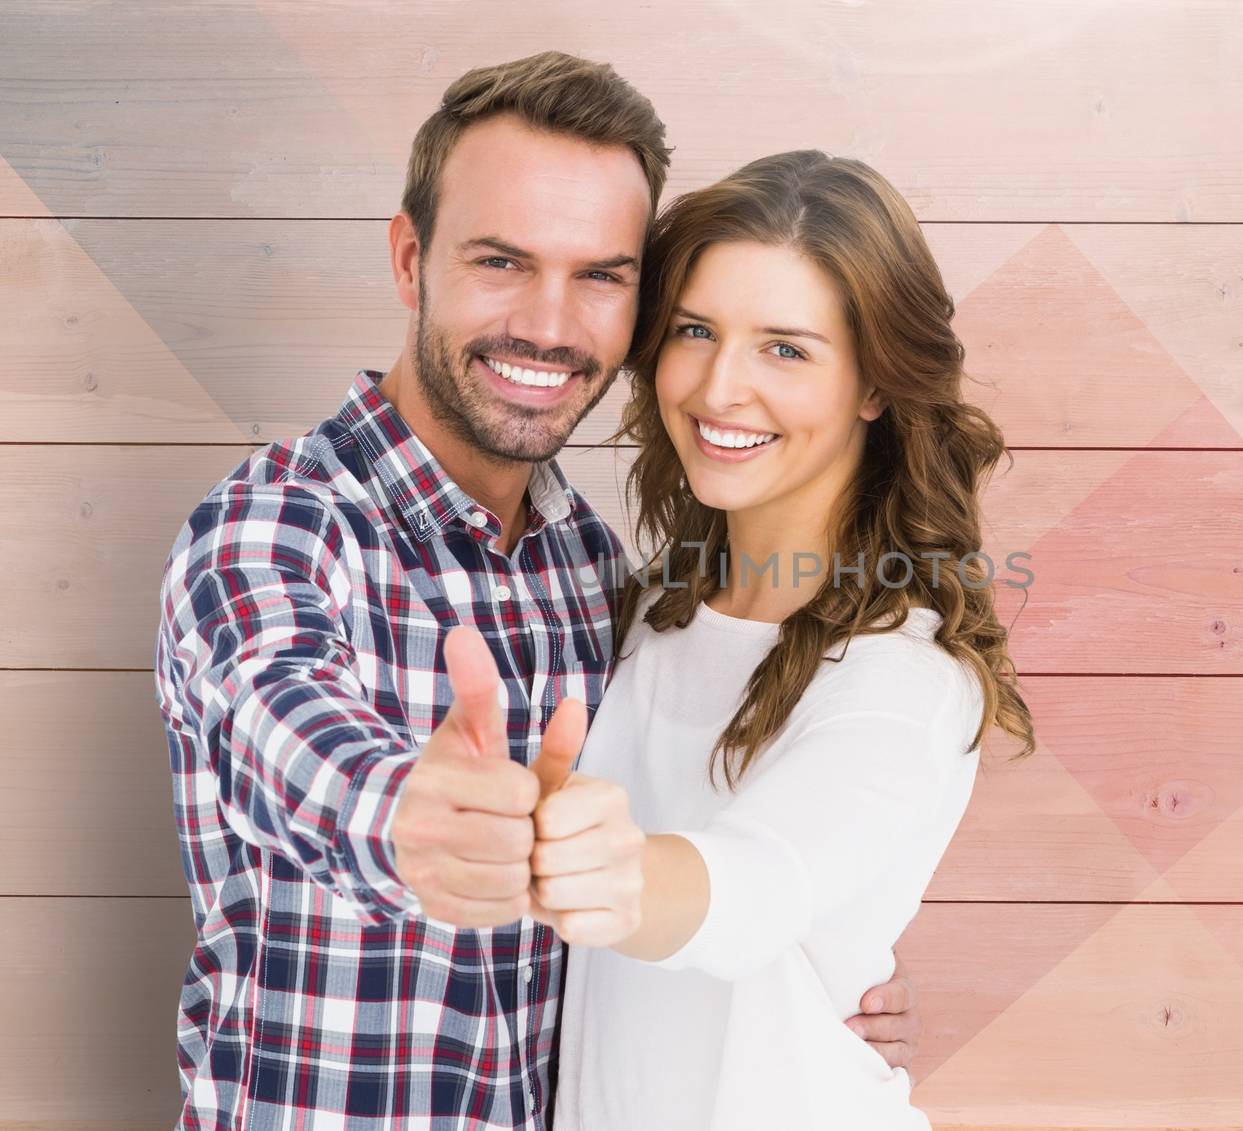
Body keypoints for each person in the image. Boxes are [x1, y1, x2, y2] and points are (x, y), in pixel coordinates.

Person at [151, 52, 919, 1130]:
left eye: (600, 275)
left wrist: (795, 990)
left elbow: (698, 864)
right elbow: (283, 726)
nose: (551, 326)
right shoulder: (273, 527)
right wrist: (408, 818)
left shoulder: (603, 576)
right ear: (411, 259)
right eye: (503, 261)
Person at [521, 151, 1037, 1130]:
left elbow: (754, 889)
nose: (721, 388)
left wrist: (603, 869)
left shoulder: (904, 671)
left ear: (875, 386)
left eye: (785, 349)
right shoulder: (650, 607)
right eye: (695, 332)